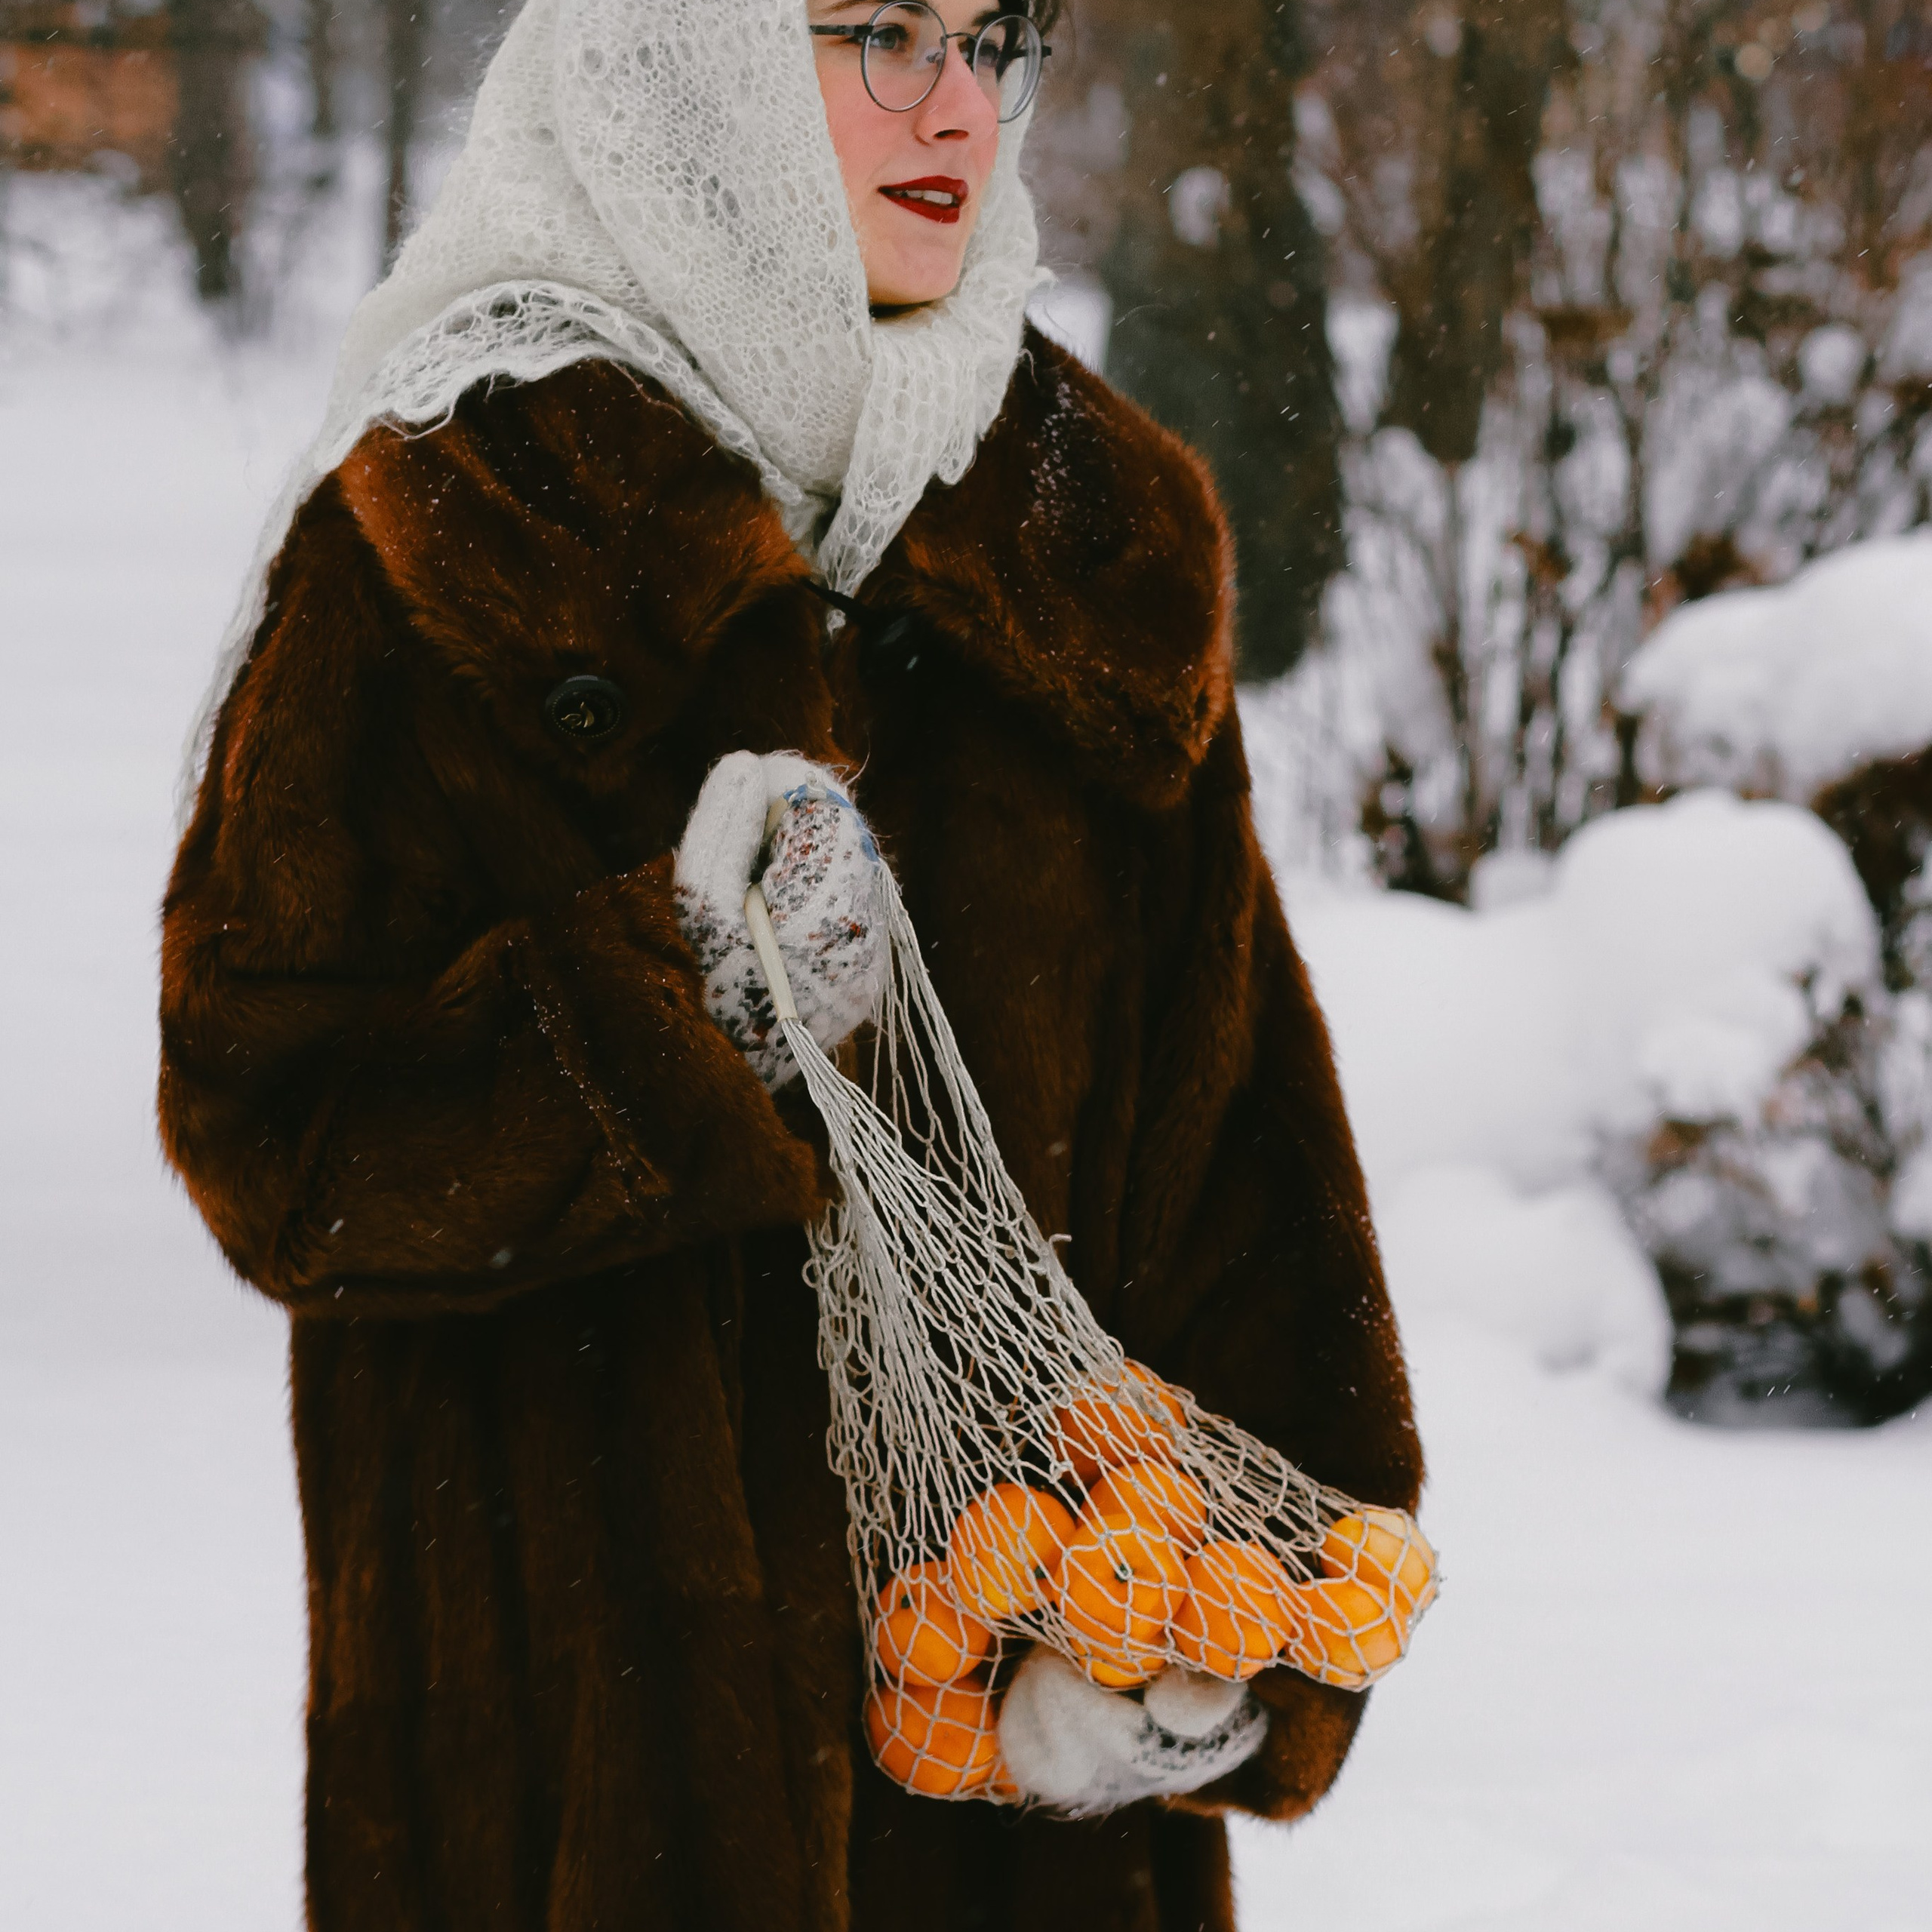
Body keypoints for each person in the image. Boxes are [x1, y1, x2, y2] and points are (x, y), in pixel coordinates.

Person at [158, 1, 1423, 1925]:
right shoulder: (445, 525)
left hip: (1008, 1785)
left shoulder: (1090, 535)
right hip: (566, 1795)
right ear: (687, 65)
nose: (956, 105)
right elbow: (277, 1128)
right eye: (880, 34)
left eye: (996, 36)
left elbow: (1235, 1151)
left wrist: (1227, 1646)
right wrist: (672, 997)